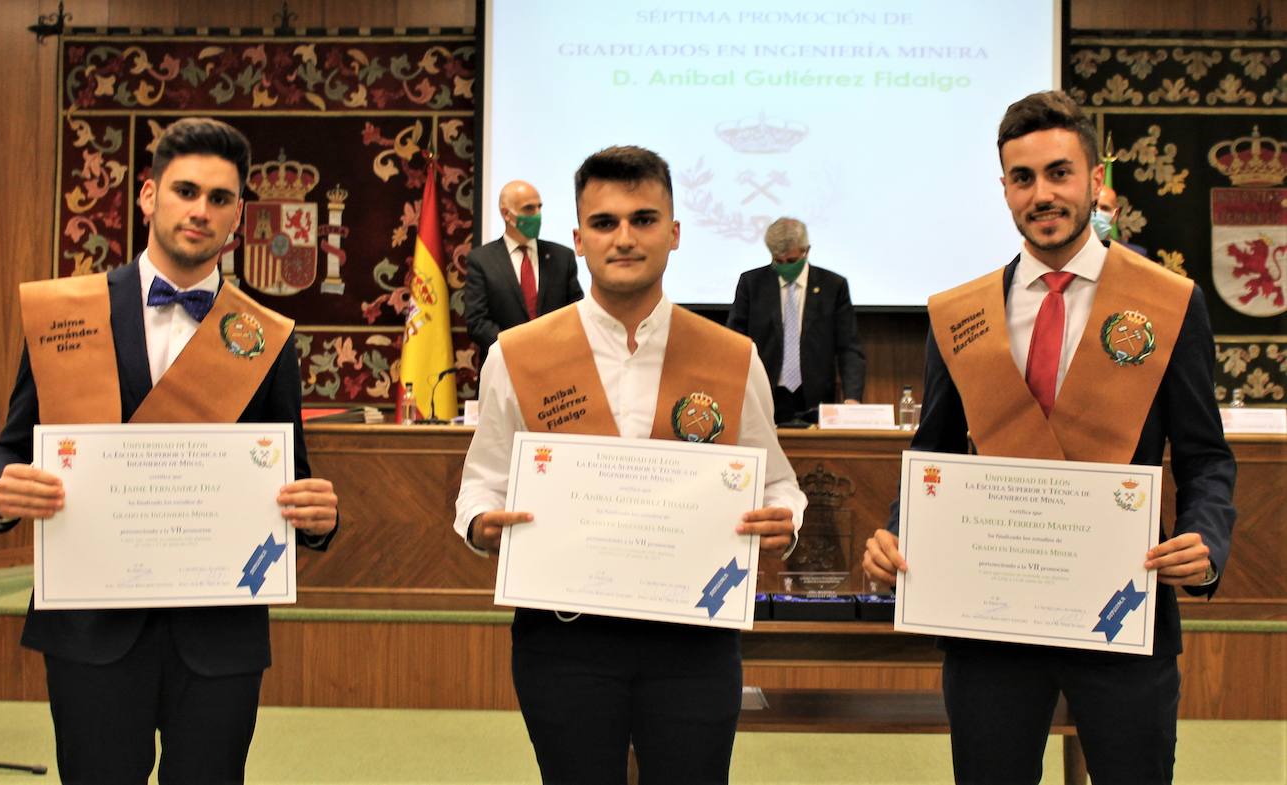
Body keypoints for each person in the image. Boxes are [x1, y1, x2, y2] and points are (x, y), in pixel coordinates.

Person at [863, 90, 1235, 785]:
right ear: (1004, 188)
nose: (1043, 194)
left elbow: (1206, 455)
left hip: (1124, 610)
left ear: (1096, 181)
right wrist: (897, 528)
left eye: (1060, 173)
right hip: (991, 619)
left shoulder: (1166, 301)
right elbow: (935, 452)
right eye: (1023, 178)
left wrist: (1207, 538)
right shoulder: (960, 314)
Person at [0, 117, 340, 785]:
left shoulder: (265, 336)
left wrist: (318, 516)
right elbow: (7, 450)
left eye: (220, 198)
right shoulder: (69, 314)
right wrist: (3, 492)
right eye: (185, 190)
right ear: (148, 196)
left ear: (238, 216)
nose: (200, 210)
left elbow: (292, 475)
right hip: (92, 625)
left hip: (219, 632)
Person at [455, 146, 806, 784]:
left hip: (694, 639)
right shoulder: (517, 355)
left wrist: (786, 515)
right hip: (564, 639)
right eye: (605, 223)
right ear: (578, 239)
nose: (624, 238)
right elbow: (479, 481)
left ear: (674, 234)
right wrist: (481, 524)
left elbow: (777, 477)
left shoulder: (732, 357)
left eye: (644, 220)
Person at [727, 217, 866, 423]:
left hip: (815, 399)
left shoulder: (833, 286)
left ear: (806, 250)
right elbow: (734, 342)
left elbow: (848, 348)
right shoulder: (752, 284)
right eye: (778, 261)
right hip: (764, 396)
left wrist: (852, 398)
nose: (785, 267)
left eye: (791, 261)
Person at [464, 179, 584, 359]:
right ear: (506, 214)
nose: (537, 215)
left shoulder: (562, 257)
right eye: (529, 209)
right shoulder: (481, 260)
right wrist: (521, 349)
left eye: (539, 207)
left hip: (556, 366)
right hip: (504, 367)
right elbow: (477, 322)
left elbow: (575, 314)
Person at [1093, 182, 1149, 256]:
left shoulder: (1135, 255)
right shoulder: (1072, 253)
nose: (1097, 212)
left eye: (1105, 208)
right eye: (1092, 206)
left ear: (1115, 215)